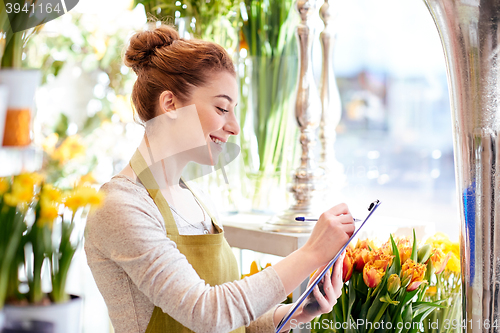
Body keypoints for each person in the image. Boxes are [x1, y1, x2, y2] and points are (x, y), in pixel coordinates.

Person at [84, 23, 355, 333]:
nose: (235, 127)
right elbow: (208, 314)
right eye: (222, 108)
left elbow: (236, 323)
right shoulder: (120, 206)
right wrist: (311, 253)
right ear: (170, 104)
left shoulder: (196, 200)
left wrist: (296, 312)